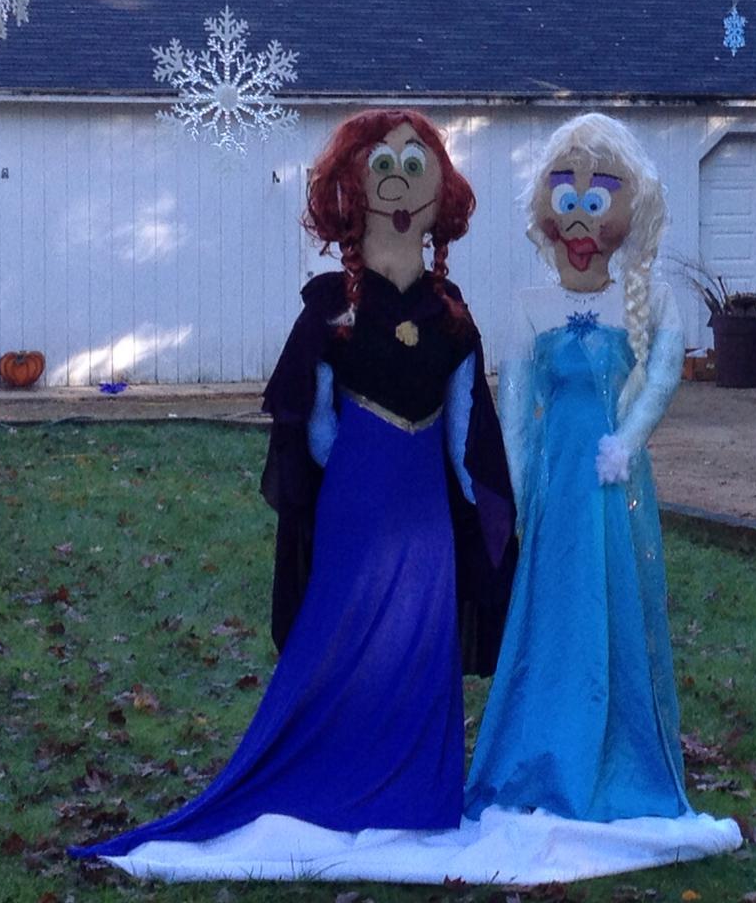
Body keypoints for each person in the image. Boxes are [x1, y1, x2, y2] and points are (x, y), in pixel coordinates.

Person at [69, 108, 516, 862]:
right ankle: (329, 766)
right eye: (382, 166)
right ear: (351, 190)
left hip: (424, 513)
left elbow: (465, 422)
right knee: (341, 634)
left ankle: (415, 786)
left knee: (421, 638)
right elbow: (312, 420)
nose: (399, 179)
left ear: (442, 194)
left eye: (416, 165)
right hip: (357, 501)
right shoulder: (333, 308)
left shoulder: (451, 317)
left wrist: (482, 513)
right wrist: (341, 487)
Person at [465, 112, 691, 823]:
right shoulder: (531, 307)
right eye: (569, 200)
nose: (583, 219)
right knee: (555, 605)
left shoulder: (651, 300)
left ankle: (618, 746)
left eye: (597, 201)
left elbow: (663, 374)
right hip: (557, 488)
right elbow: (514, 409)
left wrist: (628, 440)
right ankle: (544, 740)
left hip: (614, 483)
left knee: (613, 600)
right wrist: (517, 496)